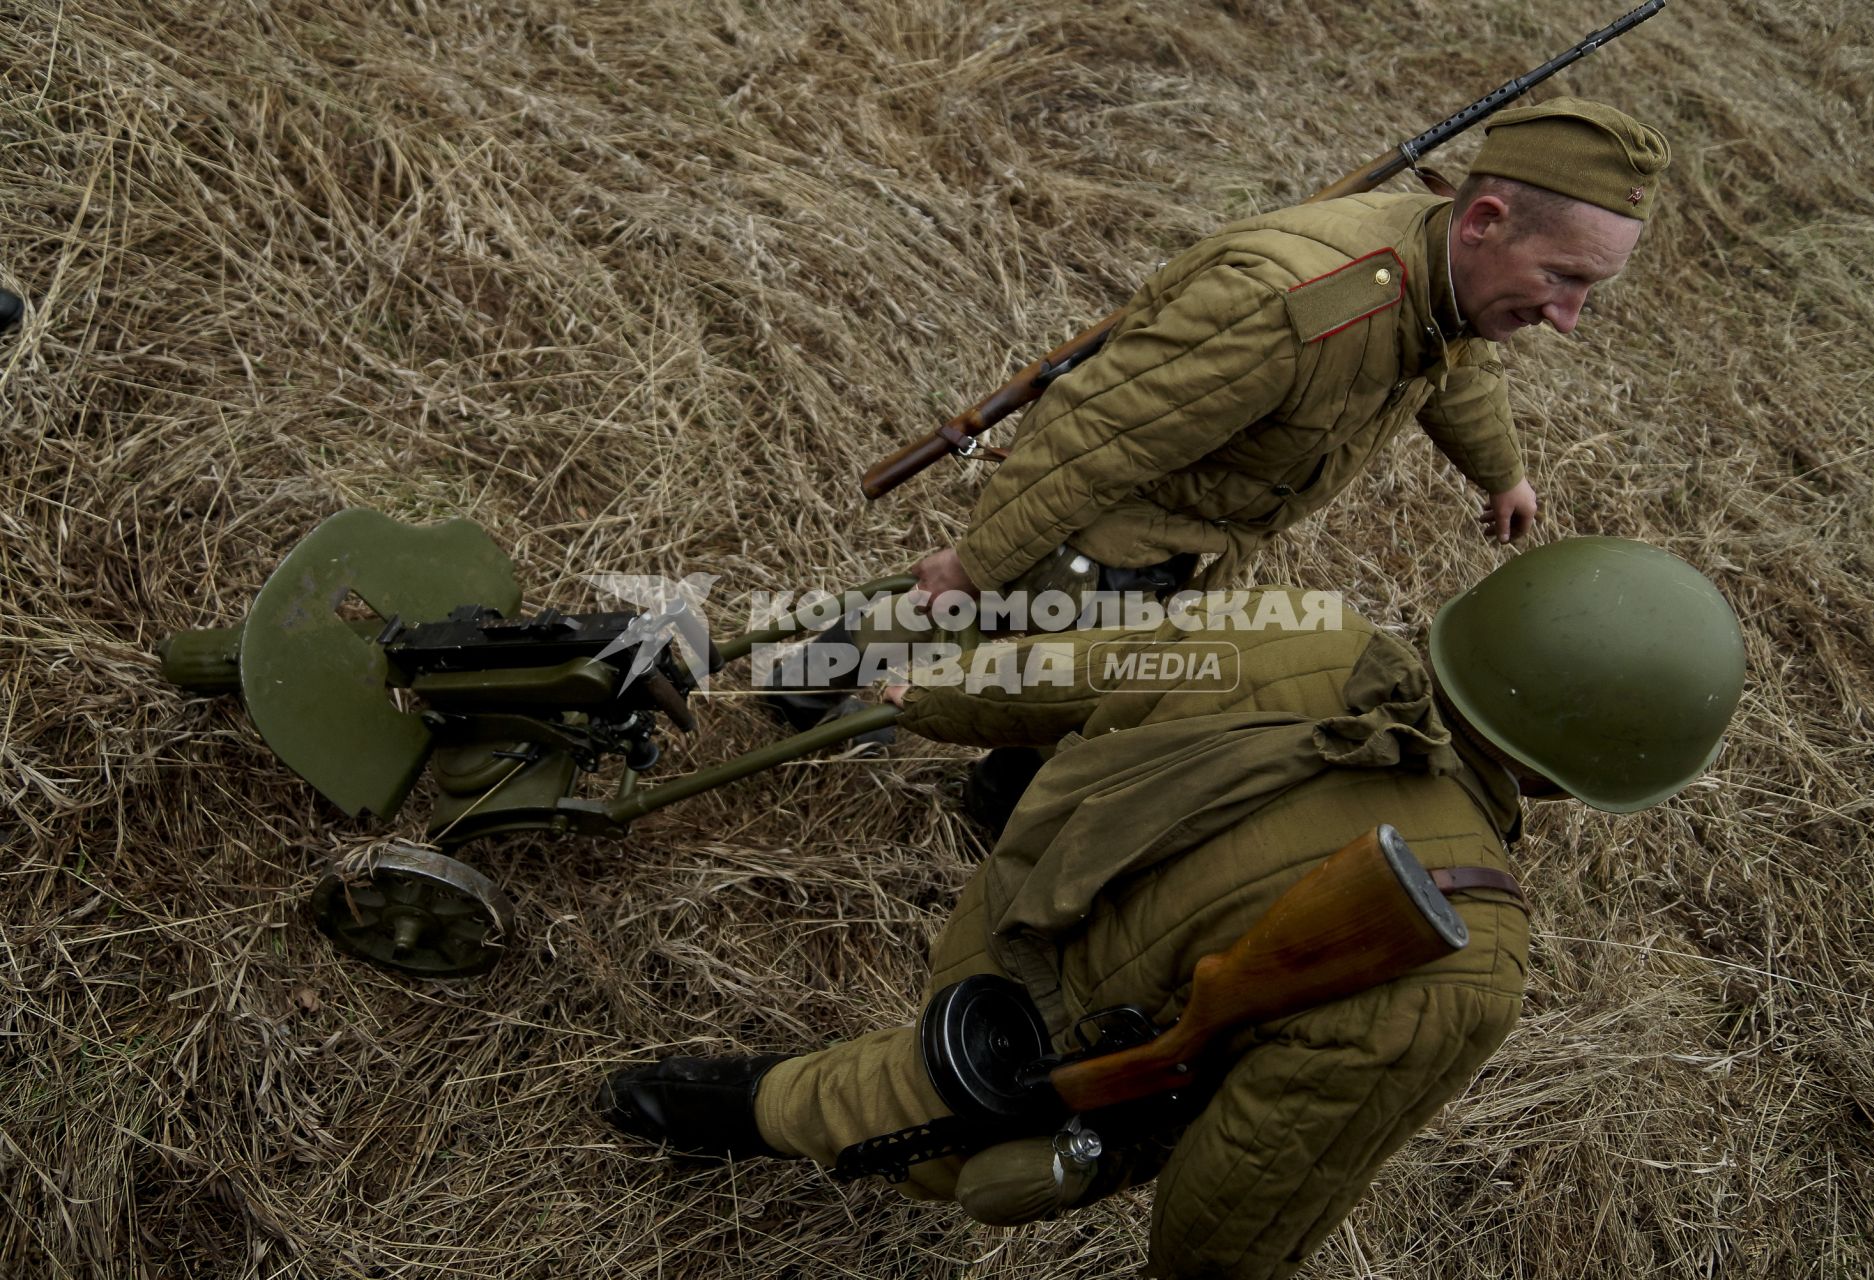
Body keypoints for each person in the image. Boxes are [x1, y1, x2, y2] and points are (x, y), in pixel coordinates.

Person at [599, 537, 1746, 1279]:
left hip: (1013, 907)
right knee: (881, 1108)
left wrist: (931, 694)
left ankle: (694, 1097)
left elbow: (1085, 667)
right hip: (1045, 1049)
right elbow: (1249, 1184)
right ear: (1594, 774)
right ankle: (688, 1104)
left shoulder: (1314, 628)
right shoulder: (1456, 958)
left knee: (899, 1076)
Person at [907, 98, 1672, 608]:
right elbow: (1097, 438)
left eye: (1589, 289)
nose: (1568, 319)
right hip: (1109, 542)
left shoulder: (1450, 274)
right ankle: (814, 683)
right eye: (1561, 277)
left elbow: (1460, 368)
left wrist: (1503, 474)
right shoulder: (1296, 311)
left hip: (1189, 542)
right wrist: (976, 564)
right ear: (1484, 222)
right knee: (1027, 672)